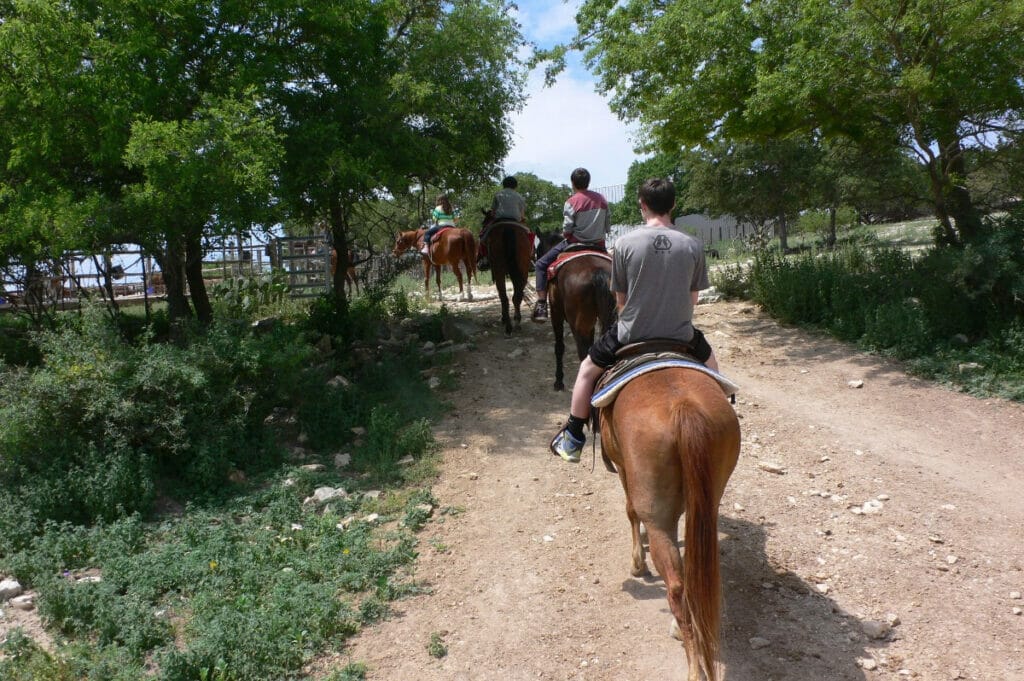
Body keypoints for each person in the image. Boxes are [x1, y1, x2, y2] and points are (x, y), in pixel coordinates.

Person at [549, 177, 720, 463]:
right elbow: (693, 300)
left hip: (631, 334)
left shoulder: (625, 244)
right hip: (681, 334)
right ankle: (719, 418)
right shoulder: (692, 244)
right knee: (714, 369)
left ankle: (573, 437)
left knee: (587, 370)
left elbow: (620, 302)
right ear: (673, 204)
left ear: (642, 205)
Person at [531, 168, 610, 321]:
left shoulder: (571, 201)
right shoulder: (602, 199)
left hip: (575, 242)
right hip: (599, 245)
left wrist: (567, 235)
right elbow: (607, 226)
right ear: (589, 182)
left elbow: (567, 229)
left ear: (573, 183)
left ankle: (541, 305)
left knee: (540, 264)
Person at [479, 176, 527, 265]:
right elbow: (522, 215)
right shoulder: (520, 197)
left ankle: (485, 258)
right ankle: (530, 258)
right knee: (529, 235)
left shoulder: (498, 195)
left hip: (499, 221)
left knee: (483, 236)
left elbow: (493, 213)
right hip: (516, 222)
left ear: (503, 185)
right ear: (515, 186)